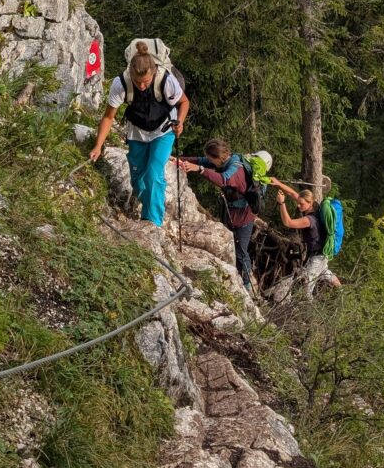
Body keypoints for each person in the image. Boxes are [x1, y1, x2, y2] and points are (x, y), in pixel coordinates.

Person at [88, 41, 190, 227]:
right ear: (130, 75)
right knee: (138, 180)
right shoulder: (121, 83)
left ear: (153, 73)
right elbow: (108, 117)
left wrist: (180, 122)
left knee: (153, 174)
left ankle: (152, 222)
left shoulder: (165, 79)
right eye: (137, 82)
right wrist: (97, 146)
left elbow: (183, 102)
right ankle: (147, 205)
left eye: (146, 82)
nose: (142, 86)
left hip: (164, 129)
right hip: (137, 132)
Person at [178, 140, 266, 292]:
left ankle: (246, 285)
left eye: (211, 159)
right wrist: (179, 160)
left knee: (240, 250)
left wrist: (200, 169)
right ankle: (235, 276)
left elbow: (223, 179)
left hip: (244, 216)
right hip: (231, 213)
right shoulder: (224, 161)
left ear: (219, 158)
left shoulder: (235, 169)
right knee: (231, 245)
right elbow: (200, 160)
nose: (209, 161)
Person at [273, 180, 342, 293]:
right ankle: (343, 293)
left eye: (302, 204)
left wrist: (281, 203)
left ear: (310, 202)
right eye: (298, 202)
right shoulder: (316, 209)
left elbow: (288, 222)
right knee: (326, 273)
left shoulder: (309, 220)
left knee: (307, 288)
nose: (298, 205)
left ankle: (307, 309)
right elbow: (292, 193)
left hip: (316, 257)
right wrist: (278, 184)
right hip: (322, 255)